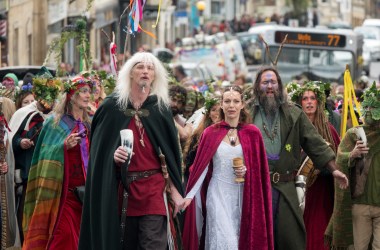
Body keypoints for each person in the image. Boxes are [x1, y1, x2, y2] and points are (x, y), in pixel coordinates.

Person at [79, 52, 184, 250]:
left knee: (153, 244)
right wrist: (113, 156)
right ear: (130, 73)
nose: (145, 71)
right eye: (140, 67)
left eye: (150, 68)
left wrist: (176, 191)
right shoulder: (111, 107)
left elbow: (171, 156)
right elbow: (99, 153)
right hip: (122, 190)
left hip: (154, 190)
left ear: (155, 76)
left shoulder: (160, 109)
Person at [246, 66, 349, 250]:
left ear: (279, 86)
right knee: (257, 239)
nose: (270, 86)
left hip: (285, 187)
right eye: (265, 82)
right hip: (255, 187)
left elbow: (315, 143)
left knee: (289, 238)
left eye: (273, 82)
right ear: (256, 86)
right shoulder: (246, 114)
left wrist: (335, 170)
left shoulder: (294, 113)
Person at [182, 86, 273, 250]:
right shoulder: (210, 132)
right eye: (227, 101)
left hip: (243, 195)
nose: (231, 105)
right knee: (226, 242)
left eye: (236, 101)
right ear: (222, 105)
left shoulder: (253, 133)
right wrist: (189, 196)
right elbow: (201, 167)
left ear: (242, 105)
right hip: (218, 192)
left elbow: (258, 170)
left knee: (241, 240)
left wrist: (246, 171)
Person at [22, 76, 92, 249]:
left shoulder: (90, 123)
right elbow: (44, 155)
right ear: (72, 95)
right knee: (64, 237)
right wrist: (63, 146)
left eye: (89, 92)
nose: (88, 95)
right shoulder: (55, 123)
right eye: (83, 91)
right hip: (63, 195)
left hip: (87, 195)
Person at [325, 82, 380, 250]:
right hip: (360, 203)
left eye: (374, 108)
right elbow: (339, 160)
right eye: (367, 107)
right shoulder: (354, 134)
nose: (370, 111)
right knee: (359, 247)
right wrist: (352, 154)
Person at [9, 68, 60, 244]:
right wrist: (20, 143)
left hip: (52, 178)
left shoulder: (59, 116)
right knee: (27, 219)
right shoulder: (23, 115)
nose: (48, 102)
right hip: (28, 176)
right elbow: (11, 141)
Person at [288, 81, 341, 250]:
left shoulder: (329, 129)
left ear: (318, 103)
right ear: (300, 102)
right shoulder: (290, 128)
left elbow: (338, 159)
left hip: (321, 190)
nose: (309, 102)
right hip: (296, 189)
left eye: (312, 98)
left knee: (319, 231)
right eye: (305, 98)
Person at [183, 96, 220, 184]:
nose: (217, 113)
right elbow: (190, 157)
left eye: (220, 110)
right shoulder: (200, 133)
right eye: (213, 110)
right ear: (209, 113)